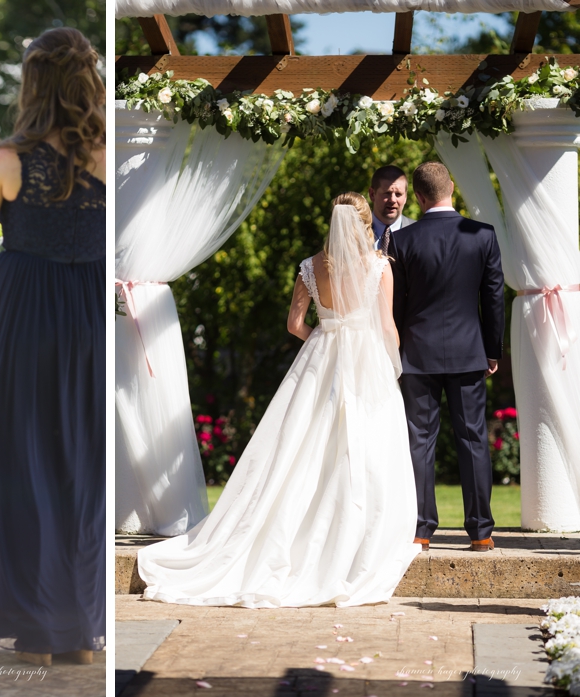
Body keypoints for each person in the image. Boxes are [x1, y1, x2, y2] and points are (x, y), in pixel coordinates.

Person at [137, 193, 420, 608]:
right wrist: (391, 365)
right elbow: (388, 327)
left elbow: (294, 324)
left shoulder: (312, 266)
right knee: (367, 450)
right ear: (363, 225)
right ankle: (355, 540)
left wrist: (324, 340)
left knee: (301, 450)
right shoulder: (378, 266)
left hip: (321, 360)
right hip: (366, 364)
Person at [0, 27, 106, 666]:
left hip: (22, 319)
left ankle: (36, 629)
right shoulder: (104, 152)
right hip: (87, 315)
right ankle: (80, 632)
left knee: (22, 465)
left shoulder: (6, 160)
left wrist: (10, 287)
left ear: (31, 83)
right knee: (80, 467)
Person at [390, 162, 505, 552]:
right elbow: (492, 299)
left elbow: (396, 306)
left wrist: (396, 352)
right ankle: (481, 532)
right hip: (469, 352)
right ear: (451, 188)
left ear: (418, 198)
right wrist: (492, 350)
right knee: (472, 439)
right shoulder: (483, 236)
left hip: (416, 355)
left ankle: (421, 530)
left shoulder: (401, 241)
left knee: (419, 441)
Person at [368, 165, 414, 255]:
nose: (393, 200)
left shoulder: (418, 232)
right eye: (387, 193)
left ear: (405, 197)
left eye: (398, 194)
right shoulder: (354, 232)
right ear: (372, 194)